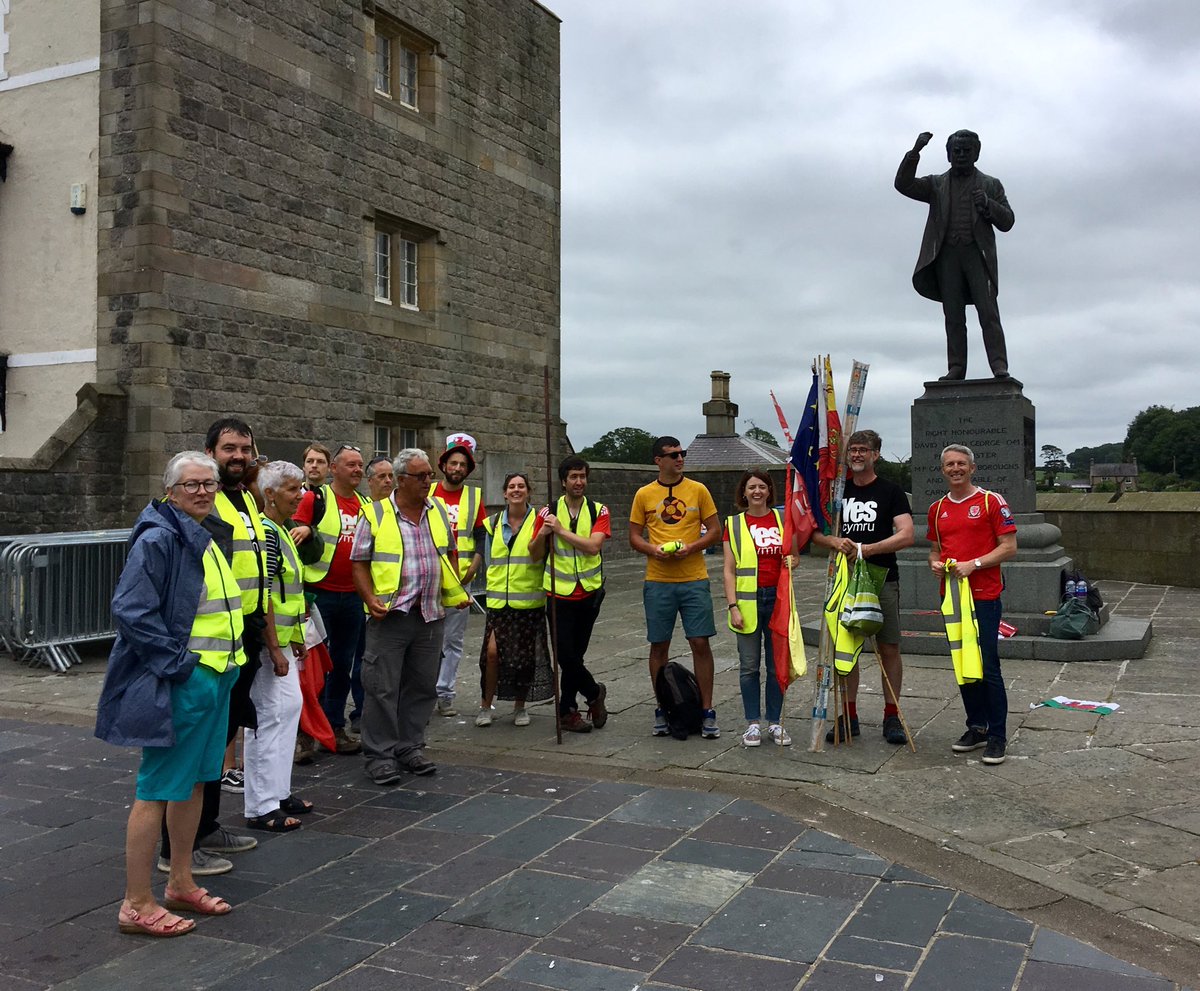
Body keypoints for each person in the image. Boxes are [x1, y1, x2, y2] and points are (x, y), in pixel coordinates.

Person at [96, 451, 244, 937]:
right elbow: (132, 610)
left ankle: (181, 880)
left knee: (198, 782)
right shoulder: (161, 537)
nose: (203, 491)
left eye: (210, 483)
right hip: (190, 679)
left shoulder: (203, 532)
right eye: (192, 484)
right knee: (158, 787)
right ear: (170, 491)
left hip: (216, 676)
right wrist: (180, 668)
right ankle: (136, 902)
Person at [158, 420, 277, 876]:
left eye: (245, 448)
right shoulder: (203, 504)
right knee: (191, 752)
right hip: (206, 644)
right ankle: (176, 849)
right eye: (229, 448)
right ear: (210, 451)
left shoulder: (245, 497)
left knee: (220, 738)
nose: (239, 456)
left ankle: (205, 827)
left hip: (241, 632)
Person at [351, 448, 469, 783]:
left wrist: (453, 592)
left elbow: (448, 556)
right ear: (401, 481)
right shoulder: (375, 515)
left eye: (430, 474)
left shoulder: (438, 512)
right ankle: (379, 755)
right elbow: (358, 562)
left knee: (422, 687)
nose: (429, 481)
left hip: (430, 614)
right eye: (422, 476)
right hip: (390, 615)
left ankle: (409, 746)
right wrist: (370, 598)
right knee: (381, 688)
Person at [812, 430, 914, 745]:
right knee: (846, 649)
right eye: (853, 450)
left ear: (875, 454)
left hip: (881, 576)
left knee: (888, 648)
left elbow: (907, 534)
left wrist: (868, 549)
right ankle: (848, 715)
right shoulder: (837, 491)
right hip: (845, 577)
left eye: (863, 450)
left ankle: (891, 715)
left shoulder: (891, 491)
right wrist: (833, 541)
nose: (857, 455)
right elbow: (814, 533)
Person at [895, 130, 1015, 381]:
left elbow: (1008, 221)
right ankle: (957, 367)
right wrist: (915, 151)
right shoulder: (936, 184)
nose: (961, 155)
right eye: (956, 151)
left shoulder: (991, 184)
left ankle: (999, 365)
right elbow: (903, 184)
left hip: (977, 256)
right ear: (949, 155)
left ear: (977, 153)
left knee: (988, 313)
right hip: (947, 257)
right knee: (953, 316)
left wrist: (988, 206)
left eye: (966, 150)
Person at [927, 444, 1018, 765]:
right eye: (949, 464)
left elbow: (1009, 547)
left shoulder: (991, 501)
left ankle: (997, 736)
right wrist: (936, 564)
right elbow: (935, 550)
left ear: (972, 468)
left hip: (984, 595)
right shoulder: (937, 509)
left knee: (988, 665)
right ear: (943, 470)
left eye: (961, 464)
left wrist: (974, 564)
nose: (955, 469)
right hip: (951, 597)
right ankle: (976, 727)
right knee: (965, 665)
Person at [629, 436, 722, 738]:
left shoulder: (698, 490)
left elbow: (716, 531)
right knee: (659, 645)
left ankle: (707, 710)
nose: (680, 459)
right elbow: (634, 536)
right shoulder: (644, 494)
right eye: (673, 455)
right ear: (658, 460)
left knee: (700, 643)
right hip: (658, 581)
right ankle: (663, 708)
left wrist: (693, 546)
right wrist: (652, 550)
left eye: (682, 454)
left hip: (694, 579)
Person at [244, 461, 312, 832]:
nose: (300, 495)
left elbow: (289, 591)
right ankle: (260, 805)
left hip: (285, 641)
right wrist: (272, 647)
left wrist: (295, 638)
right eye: (292, 489)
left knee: (288, 710)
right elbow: (265, 592)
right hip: (273, 645)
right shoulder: (269, 533)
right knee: (269, 718)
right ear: (269, 494)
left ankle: (278, 791)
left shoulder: (279, 530)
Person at [291, 443, 369, 752]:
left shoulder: (365, 503)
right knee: (311, 667)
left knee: (341, 665)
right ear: (333, 469)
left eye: (360, 464)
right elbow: (294, 533)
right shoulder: (316, 498)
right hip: (318, 595)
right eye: (350, 464)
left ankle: (334, 727)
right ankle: (305, 734)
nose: (357, 470)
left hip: (352, 597)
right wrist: (308, 529)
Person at [722, 469, 796, 748]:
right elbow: (728, 570)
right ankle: (752, 723)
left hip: (777, 602)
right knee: (749, 666)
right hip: (747, 603)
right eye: (751, 487)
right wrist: (732, 606)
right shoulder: (734, 523)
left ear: (769, 491)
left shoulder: (782, 519)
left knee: (777, 665)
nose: (756, 491)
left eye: (762, 487)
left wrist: (793, 562)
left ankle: (775, 722)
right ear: (743, 492)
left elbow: (794, 555)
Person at [473, 471, 552, 727]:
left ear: (528, 492)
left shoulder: (539, 521)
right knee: (492, 655)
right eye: (511, 487)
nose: (516, 490)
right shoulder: (492, 523)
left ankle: (520, 706)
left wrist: (542, 534)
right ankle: (486, 706)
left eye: (521, 486)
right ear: (505, 493)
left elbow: (539, 557)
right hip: (498, 603)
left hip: (528, 602)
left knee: (523, 658)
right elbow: (489, 561)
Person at [541, 455, 611, 733]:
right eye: (573, 477)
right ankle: (594, 693)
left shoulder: (598, 510)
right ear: (563, 481)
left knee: (575, 657)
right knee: (565, 655)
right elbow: (537, 551)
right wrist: (542, 533)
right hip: (558, 595)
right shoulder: (547, 510)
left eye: (582, 476)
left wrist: (559, 530)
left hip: (588, 594)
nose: (579, 481)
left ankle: (567, 711)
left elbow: (593, 547)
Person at [429, 433, 486, 717]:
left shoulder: (474, 496)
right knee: (426, 641)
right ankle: (424, 691)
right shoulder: (427, 492)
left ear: (468, 468)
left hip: (461, 581)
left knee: (452, 642)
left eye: (463, 464)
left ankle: (445, 693)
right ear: (443, 464)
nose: (457, 468)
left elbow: (480, 536)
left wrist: (475, 566)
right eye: (453, 463)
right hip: (429, 580)